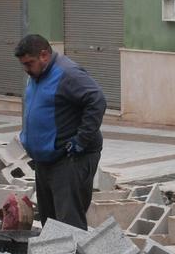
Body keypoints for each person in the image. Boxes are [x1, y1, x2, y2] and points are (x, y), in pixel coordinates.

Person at [15, 34, 107, 229]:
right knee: (50, 225)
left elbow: (97, 100)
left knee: (68, 226)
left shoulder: (68, 74)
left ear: (44, 55)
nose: (26, 69)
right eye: (23, 65)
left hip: (69, 160)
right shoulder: (37, 75)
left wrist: (81, 139)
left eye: (29, 63)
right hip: (45, 161)